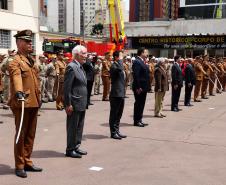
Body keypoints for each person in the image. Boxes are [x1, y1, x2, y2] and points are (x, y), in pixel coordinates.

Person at [8, 30, 42, 178]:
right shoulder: (15, 61)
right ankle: (19, 165)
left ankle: (27, 161)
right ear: (19, 43)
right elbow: (16, 77)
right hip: (22, 102)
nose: (30, 44)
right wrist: (19, 92)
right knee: (21, 135)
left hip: (34, 101)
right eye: (27, 42)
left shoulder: (31, 60)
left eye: (30, 41)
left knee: (30, 134)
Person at [64, 45, 88, 158]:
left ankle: (76, 146)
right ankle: (70, 149)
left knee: (79, 126)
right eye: (84, 53)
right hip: (74, 103)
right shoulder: (71, 67)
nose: (86, 56)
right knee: (73, 127)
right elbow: (67, 88)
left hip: (81, 102)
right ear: (77, 54)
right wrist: (68, 104)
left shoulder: (80, 66)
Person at [109, 50, 127, 139]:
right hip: (116, 93)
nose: (122, 58)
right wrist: (119, 60)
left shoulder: (120, 65)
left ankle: (117, 130)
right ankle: (113, 132)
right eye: (121, 56)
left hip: (121, 93)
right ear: (116, 57)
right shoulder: (114, 66)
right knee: (114, 114)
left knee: (119, 114)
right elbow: (119, 69)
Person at [132, 47, 150, 127]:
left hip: (144, 87)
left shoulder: (142, 61)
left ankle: (140, 119)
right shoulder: (137, 62)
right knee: (138, 104)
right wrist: (138, 87)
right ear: (142, 53)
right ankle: (136, 121)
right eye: (146, 52)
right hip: (139, 87)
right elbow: (136, 75)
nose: (147, 54)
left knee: (142, 104)